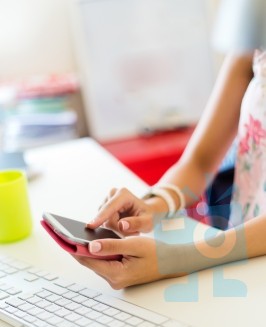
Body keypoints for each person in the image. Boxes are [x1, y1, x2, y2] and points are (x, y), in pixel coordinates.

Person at [73, 0, 266, 289]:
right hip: (244, 257)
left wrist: (177, 259)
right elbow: (199, 161)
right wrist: (155, 204)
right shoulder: (254, 40)